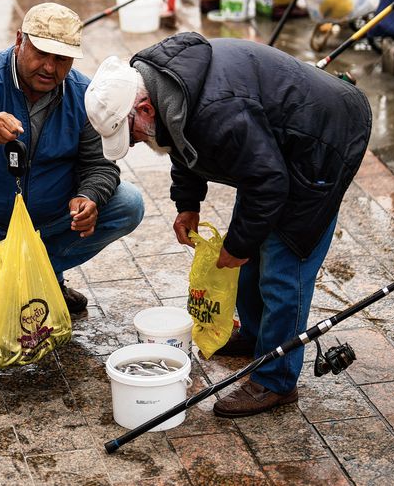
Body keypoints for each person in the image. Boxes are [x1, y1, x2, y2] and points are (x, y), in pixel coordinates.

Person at [85, 34, 372, 417]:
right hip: (275, 147)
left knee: (284, 262)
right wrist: (188, 204)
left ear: (145, 108)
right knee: (253, 243)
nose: (134, 143)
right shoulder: (161, 84)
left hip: (324, 139)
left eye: (130, 131)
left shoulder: (216, 112)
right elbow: (177, 141)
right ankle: (257, 336)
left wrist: (238, 245)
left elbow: (268, 184)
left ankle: (276, 380)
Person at [0, 3, 144, 341]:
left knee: (128, 203)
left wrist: (88, 196)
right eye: (41, 53)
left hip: (47, 212)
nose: (50, 68)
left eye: (62, 59)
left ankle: (44, 279)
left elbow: (100, 165)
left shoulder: (84, 95)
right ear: (19, 40)